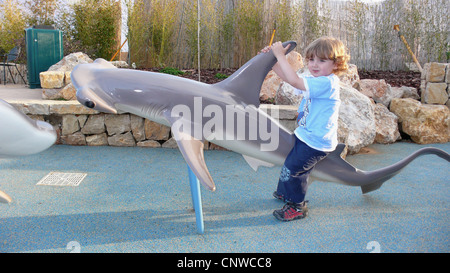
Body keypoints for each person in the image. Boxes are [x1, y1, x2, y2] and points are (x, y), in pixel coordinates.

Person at [262, 37, 350, 221]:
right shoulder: (316, 79)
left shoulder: (327, 83)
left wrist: (280, 55)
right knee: (289, 163)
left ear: (336, 64)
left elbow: (294, 81)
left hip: (316, 142)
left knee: (296, 169)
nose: (314, 64)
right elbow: (289, 78)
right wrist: (272, 62)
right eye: (311, 60)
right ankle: (285, 192)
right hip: (306, 135)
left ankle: (297, 206)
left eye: (322, 60)